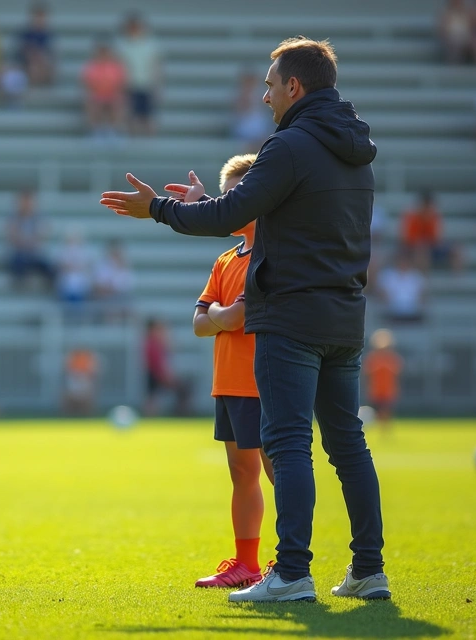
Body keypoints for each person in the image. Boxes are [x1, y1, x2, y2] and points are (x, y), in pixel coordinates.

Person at [100, 36, 389, 603]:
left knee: (287, 444)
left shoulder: (289, 144)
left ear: (294, 86)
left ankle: (292, 573)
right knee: (348, 445)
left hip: (290, 316)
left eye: (270, 84)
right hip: (344, 315)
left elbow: (232, 212)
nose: (264, 96)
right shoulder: (355, 148)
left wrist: (158, 208)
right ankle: (368, 569)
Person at [185, 153, 273, 590]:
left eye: (237, 196)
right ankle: (246, 564)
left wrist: (219, 314)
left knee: (278, 472)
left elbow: (229, 317)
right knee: (242, 473)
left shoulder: (271, 254)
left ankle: (291, 562)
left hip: (263, 381)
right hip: (229, 382)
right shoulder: (225, 259)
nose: (229, 204)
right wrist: (222, 314)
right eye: (225, 197)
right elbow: (199, 323)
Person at [115, 13, 160, 137]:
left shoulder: (151, 44)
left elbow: (156, 66)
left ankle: (150, 142)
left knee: (148, 116)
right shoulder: (121, 45)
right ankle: (134, 142)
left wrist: (157, 86)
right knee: (131, 116)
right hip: (129, 85)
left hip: (147, 84)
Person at [400, 190, 463, 273]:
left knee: (457, 249)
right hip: (413, 249)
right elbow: (408, 240)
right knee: (421, 250)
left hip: (432, 247)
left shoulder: (434, 216)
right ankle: (422, 278)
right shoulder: (411, 217)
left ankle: (458, 278)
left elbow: (437, 239)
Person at [6, 190, 55, 290]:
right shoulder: (14, 218)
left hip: (34, 253)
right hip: (20, 254)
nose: (27, 205)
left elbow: (43, 235)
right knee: (17, 263)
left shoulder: (39, 218)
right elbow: (12, 237)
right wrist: (28, 241)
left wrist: (27, 241)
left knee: (49, 267)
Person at [81, 38, 126, 139]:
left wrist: (113, 94)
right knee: (92, 103)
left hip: (112, 95)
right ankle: (95, 131)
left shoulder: (116, 67)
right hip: (96, 95)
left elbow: (121, 84)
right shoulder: (91, 66)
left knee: (118, 103)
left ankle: (114, 131)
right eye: (101, 53)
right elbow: (87, 83)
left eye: (105, 53)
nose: (103, 55)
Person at [363, 329, 403, 431]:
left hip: (388, 390)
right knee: (377, 410)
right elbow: (368, 372)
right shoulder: (373, 358)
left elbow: (397, 371)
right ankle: (379, 426)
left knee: (386, 410)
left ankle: (385, 428)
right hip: (376, 390)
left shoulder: (392, 358)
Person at [375, 252, 427, 324]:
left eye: (405, 261)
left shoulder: (417, 276)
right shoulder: (387, 275)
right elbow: (381, 294)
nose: (403, 263)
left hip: (413, 313)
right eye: (401, 260)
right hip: (392, 312)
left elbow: (422, 296)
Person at [232, 70, 273, 152]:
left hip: (259, 123)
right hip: (245, 123)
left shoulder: (261, 94)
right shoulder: (240, 95)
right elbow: (239, 112)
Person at [18, 3, 54, 86]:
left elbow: (50, 54)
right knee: (33, 66)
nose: (40, 20)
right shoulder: (25, 34)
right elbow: (22, 52)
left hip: (43, 64)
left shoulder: (48, 36)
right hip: (27, 64)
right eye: (38, 17)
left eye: (42, 17)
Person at [93, 239, 135, 308]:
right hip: (105, 297)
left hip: (120, 297)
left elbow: (128, 285)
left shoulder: (124, 266)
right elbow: (99, 286)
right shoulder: (102, 265)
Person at [438, 0, 476, 64]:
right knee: (455, 45)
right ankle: (454, 66)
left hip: (466, 38)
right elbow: (442, 31)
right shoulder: (445, 13)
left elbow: (473, 28)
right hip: (451, 39)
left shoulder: (467, 12)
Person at [62, 347, 97, 416]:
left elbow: (93, 372)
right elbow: (67, 369)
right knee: (69, 398)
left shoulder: (87, 361)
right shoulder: (72, 361)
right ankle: (68, 414)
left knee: (86, 400)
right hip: (74, 382)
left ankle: (87, 414)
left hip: (84, 382)